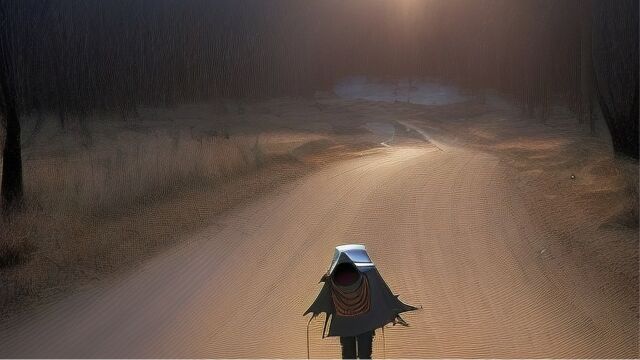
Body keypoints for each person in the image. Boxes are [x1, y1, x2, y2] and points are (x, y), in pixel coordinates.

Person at [304, 244, 417, 359]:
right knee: (365, 355)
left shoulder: (332, 280)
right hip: (366, 321)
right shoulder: (368, 275)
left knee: (348, 355)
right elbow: (381, 294)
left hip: (344, 324)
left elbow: (324, 300)